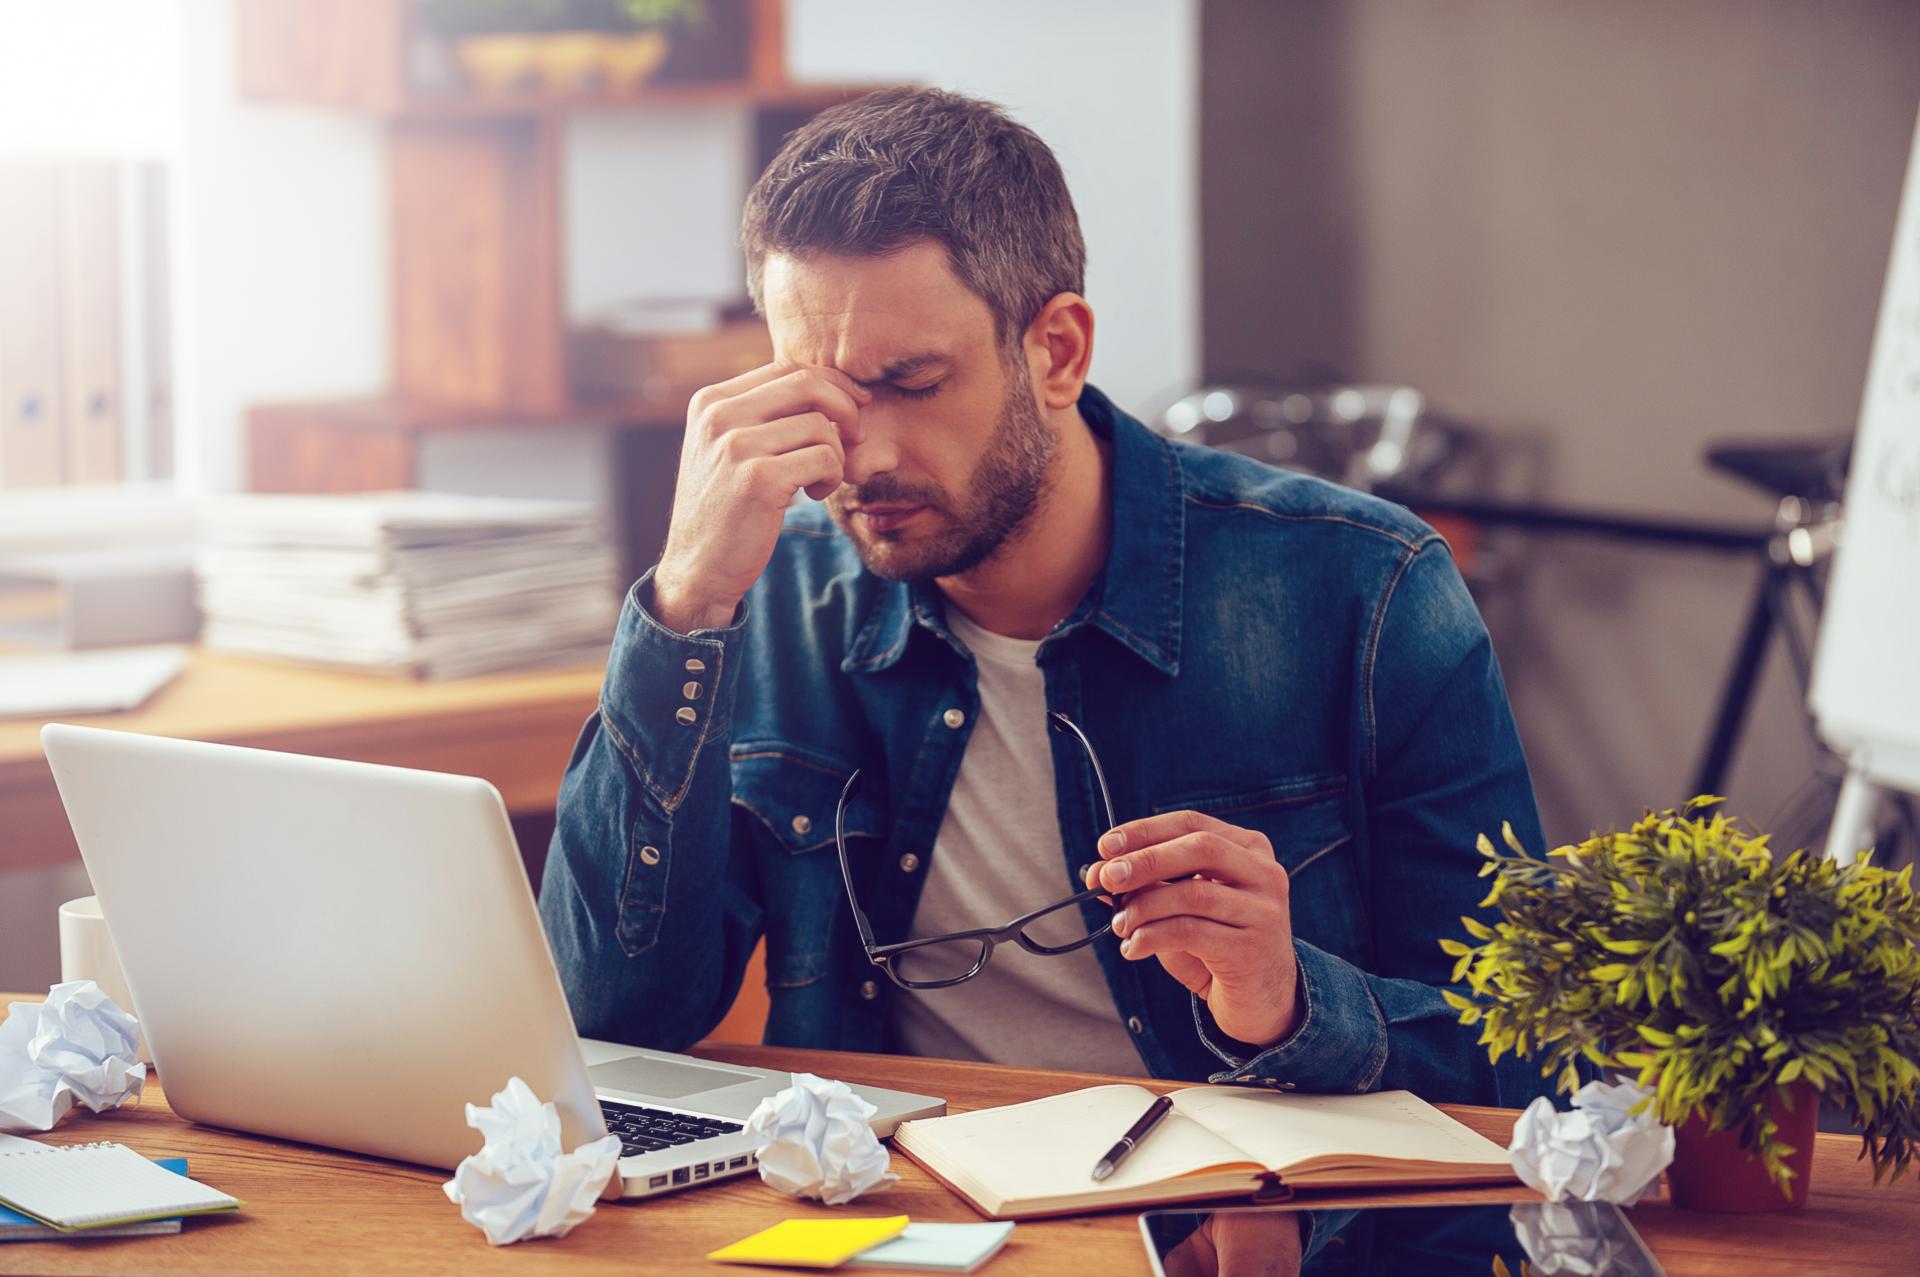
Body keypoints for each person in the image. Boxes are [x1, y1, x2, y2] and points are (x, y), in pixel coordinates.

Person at [539, 87, 1547, 1104]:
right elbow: (611, 1021)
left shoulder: (1367, 587)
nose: (864, 454)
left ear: (1057, 351)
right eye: (824, 391)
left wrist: (1288, 1001)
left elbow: (1527, 1063)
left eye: (914, 381)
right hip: (897, 1215)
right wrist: (686, 604)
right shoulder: (772, 589)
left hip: (1244, 1229)